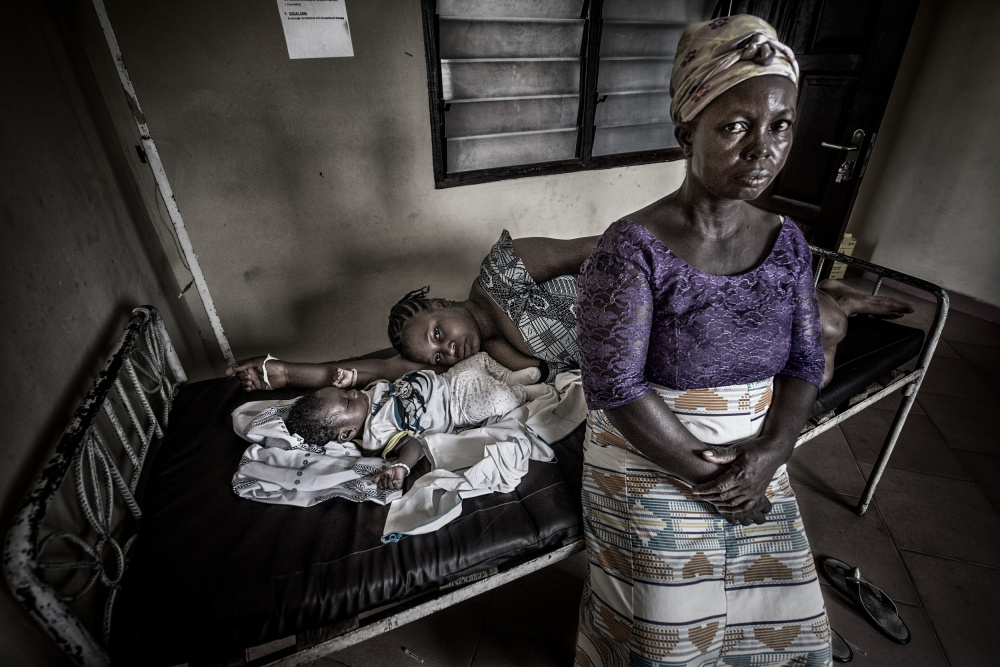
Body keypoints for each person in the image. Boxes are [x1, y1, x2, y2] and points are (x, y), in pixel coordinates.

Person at [573, 16, 836, 667]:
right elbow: (615, 386)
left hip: (750, 455)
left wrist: (772, 452)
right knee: (672, 640)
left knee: (785, 625)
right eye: (736, 126)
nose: (763, 149)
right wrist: (716, 481)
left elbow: (805, 361)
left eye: (780, 125)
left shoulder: (788, 242)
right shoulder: (633, 246)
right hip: (650, 451)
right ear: (685, 129)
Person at [280, 352, 546, 490]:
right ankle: (523, 392)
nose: (351, 394)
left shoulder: (366, 394)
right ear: (346, 435)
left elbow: (371, 380)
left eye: (344, 391)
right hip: (457, 407)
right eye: (347, 402)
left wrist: (352, 378)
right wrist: (402, 468)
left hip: (449, 379)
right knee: (496, 399)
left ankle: (509, 379)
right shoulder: (376, 433)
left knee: (481, 359)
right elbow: (414, 445)